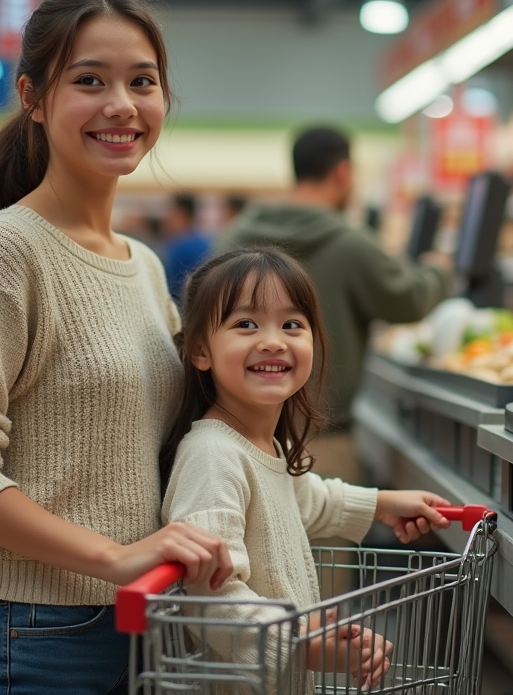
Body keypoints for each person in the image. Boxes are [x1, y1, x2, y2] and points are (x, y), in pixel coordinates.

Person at [0, 0, 231, 695]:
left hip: (143, 621)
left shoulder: (140, 264)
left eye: (142, 81)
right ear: (34, 98)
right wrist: (111, 556)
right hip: (33, 634)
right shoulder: (7, 252)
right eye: (90, 80)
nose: (121, 105)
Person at [160, 249, 452, 689]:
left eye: (292, 325)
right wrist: (304, 643)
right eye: (245, 324)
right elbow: (211, 594)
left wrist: (382, 504)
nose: (274, 340)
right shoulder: (213, 455)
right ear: (200, 350)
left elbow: (304, 499)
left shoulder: (262, 444)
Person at [218, 127, 450, 483]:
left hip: (236, 438)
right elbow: (409, 300)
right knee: (325, 534)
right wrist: (438, 271)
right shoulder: (350, 243)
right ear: (343, 172)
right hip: (323, 443)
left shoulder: (234, 237)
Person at [162, 193, 211, 301]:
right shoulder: (205, 242)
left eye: (170, 212)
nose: (166, 218)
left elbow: (171, 287)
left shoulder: (178, 246)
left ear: (181, 213)